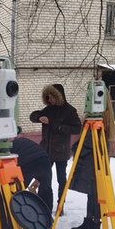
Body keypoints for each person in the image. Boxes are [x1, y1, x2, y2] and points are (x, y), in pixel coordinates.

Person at [69, 87, 115, 229]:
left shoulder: (100, 120)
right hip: (92, 159)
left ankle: (95, 224)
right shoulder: (103, 117)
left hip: (93, 160)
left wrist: (77, 148)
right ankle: (89, 221)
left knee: (96, 193)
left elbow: (90, 142)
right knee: (92, 192)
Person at [29, 83, 81, 215]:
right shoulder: (48, 109)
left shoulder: (70, 111)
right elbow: (33, 116)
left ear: (59, 96)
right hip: (46, 150)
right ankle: (43, 203)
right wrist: (39, 117)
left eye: (52, 97)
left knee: (61, 179)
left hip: (61, 151)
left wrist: (58, 126)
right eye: (48, 97)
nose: (50, 100)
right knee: (43, 177)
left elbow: (77, 128)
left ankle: (60, 205)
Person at [10, 128, 53, 214]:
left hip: (28, 163)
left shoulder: (9, 146)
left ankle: (16, 215)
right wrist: (38, 178)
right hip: (45, 161)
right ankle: (46, 218)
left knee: (17, 191)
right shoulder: (25, 140)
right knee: (46, 190)